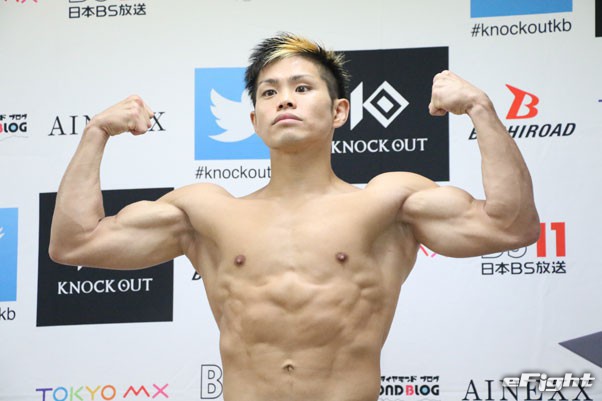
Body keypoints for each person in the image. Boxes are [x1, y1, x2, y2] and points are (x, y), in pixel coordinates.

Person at [49, 32, 539, 401]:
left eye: (302, 87)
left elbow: (511, 226)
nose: (283, 99)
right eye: (268, 92)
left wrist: (480, 109)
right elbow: (75, 243)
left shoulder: (388, 204)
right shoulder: (206, 211)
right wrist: (95, 133)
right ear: (254, 121)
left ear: (339, 111)